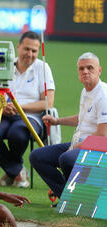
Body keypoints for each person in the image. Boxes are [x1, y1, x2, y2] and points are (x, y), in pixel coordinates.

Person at [29, 52, 107, 199]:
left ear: (99, 70)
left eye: (90, 68)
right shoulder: (86, 91)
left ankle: (79, 196)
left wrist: (80, 145)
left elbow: (103, 135)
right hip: (80, 143)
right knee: (37, 156)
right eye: (81, 68)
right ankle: (67, 196)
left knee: (67, 158)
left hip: (99, 148)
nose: (85, 72)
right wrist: (57, 121)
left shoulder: (103, 95)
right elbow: (83, 118)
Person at [0, 31, 56, 188]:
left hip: (30, 116)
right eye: (26, 49)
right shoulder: (4, 63)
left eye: (34, 51)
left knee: (17, 134)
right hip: (3, 113)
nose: (29, 54)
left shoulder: (42, 68)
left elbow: (48, 102)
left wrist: (18, 107)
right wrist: (2, 107)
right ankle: (17, 171)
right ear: (18, 47)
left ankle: (11, 172)